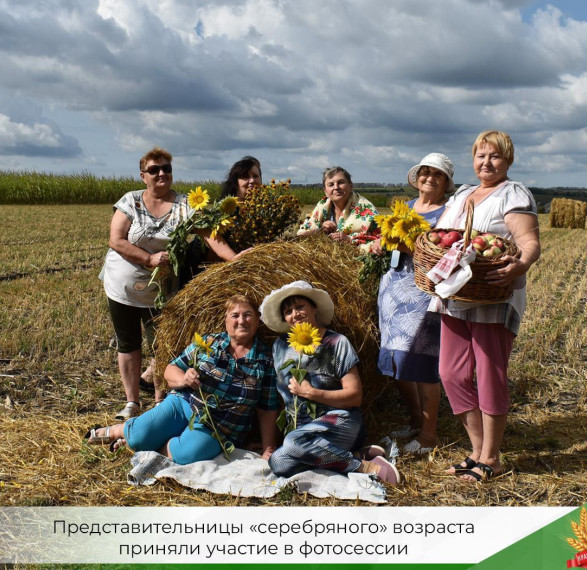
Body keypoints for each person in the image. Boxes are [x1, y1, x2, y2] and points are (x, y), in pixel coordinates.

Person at [100, 147, 243, 421]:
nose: (161, 173)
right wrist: (149, 258)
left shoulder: (185, 205)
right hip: (122, 287)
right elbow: (116, 240)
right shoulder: (130, 201)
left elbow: (209, 234)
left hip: (161, 291)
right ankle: (131, 403)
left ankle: (159, 401)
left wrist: (236, 260)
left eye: (166, 168)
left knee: (161, 345)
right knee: (129, 343)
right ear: (143, 176)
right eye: (154, 170)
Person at [429, 131, 541, 482]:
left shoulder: (513, 193)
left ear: (508, 160)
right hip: (456, 293)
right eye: (480, 155)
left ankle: (491, 458)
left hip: (492, 292)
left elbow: (528, 241)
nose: (486, 162)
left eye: (495, 156)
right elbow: (443, 236)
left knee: (489, 373)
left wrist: (521, 264)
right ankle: (477, 449)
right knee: (451, 373)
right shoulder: (463, 193)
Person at [85, 295, 279, 462]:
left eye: (248, 315)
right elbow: (171, 369)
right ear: (226, 322)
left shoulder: (265, 360)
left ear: (257, 321)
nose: (241, 321)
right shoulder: (210, 342)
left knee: (186, 454)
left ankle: (150, 446)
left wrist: (268, 448)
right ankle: (119, 431)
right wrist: (183, 379)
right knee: (139, 436)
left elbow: (266, 410)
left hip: (221, 425)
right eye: (234, 316)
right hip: (185, 402)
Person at [259, 281, 400, 484]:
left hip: (340, 421)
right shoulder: (280, 347)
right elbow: (280, 396)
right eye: (288, 311)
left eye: (300, 307)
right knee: (278, 463)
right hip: (303, 430)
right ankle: (354, 456)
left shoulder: (336, 342)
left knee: (293, 442)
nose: (295, 314)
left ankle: (365, 467)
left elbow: (355, 396)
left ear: (314, 308)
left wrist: (312, 393)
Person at [375, 153, 454, 454]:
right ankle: (414, 421)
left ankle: (429, 436)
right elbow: (388, 241)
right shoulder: (404, 209)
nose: (429, 178)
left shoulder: (449, 214)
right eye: (425, 172)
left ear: (446, 182)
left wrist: (408, 246)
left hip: (425, 293)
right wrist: (379, 243)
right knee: (400, 361)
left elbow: (446, 253)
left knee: (423, 363)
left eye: (437, 174)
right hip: (394, 290)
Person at [297, 167, 380, 253]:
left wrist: (349, 240)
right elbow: (300, 235)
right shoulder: (322, 205)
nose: (336, 187)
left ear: (351, 186)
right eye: (331, 185)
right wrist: (321, 230)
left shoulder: (366, 208)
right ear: (325, 191)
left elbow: (379, 241)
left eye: (341, 182)